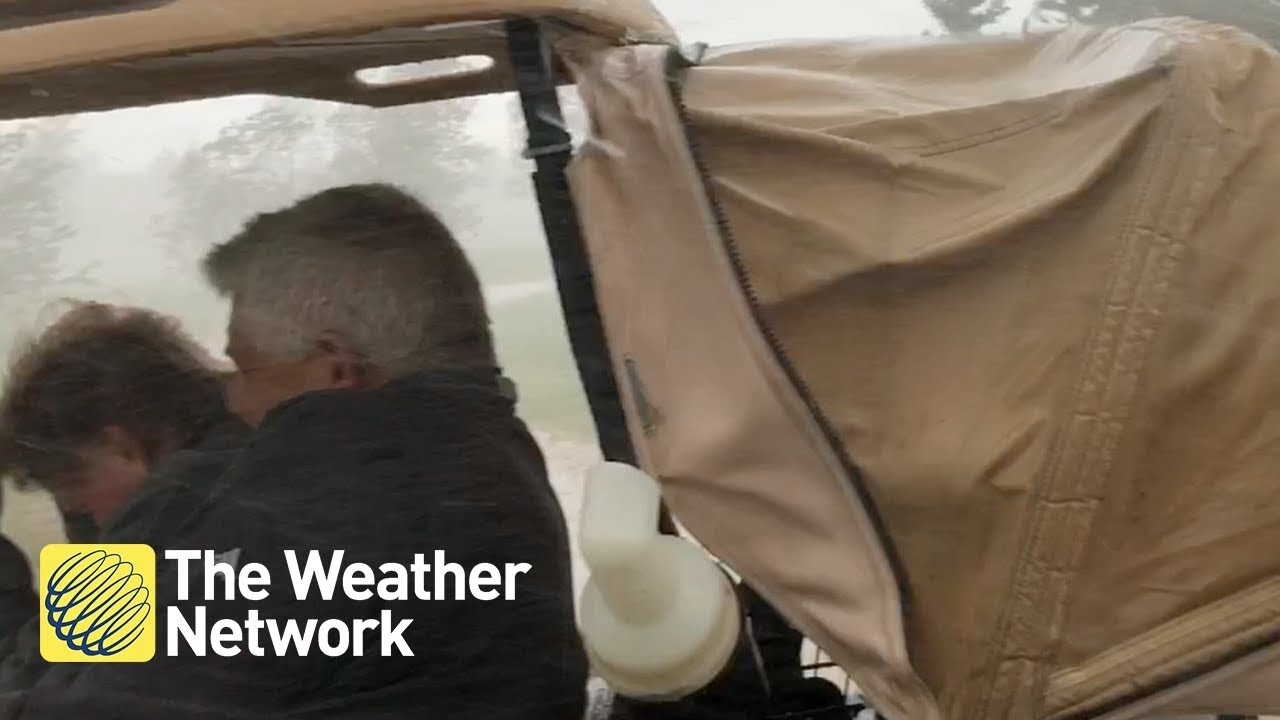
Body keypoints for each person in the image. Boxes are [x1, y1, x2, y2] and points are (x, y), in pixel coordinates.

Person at [0, 184, 588, 720]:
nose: (235, 398)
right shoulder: (488, 455)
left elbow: (68, 697)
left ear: (336, 368)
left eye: (249, 370)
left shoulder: (286, 522)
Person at [0, 301, 250, 682]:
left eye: (76, 495)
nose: (91, 518)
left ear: (120, 446)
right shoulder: (270, 443)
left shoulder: (177, 504)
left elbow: (51, 687)